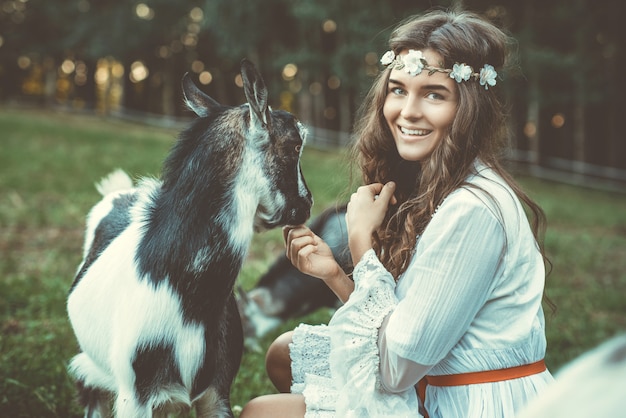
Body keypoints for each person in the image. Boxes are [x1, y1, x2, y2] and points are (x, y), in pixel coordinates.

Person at [240, 8, 554, 418]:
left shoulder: (472, 211)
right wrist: (334, 274)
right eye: (399, 89)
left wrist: (360, 244)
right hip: (427, 373)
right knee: (284, 354)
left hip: (471, 401)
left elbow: (394, 369)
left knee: (262, 412)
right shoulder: (433, 183)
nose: (408, 111)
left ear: (469, 107)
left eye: (434, 94)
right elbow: (405, 325)